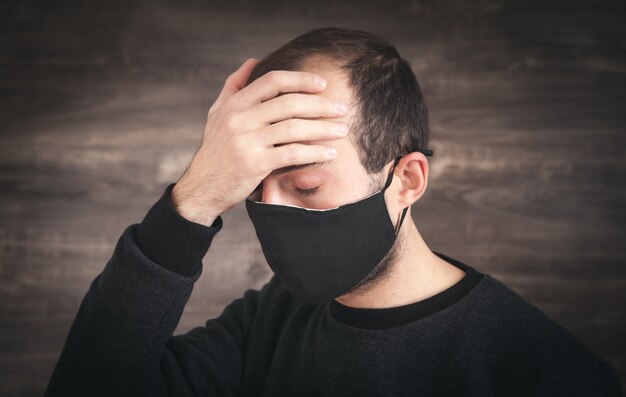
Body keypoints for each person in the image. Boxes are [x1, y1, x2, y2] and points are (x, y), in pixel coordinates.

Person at [45, 27, 622, 397]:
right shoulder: (268, 322)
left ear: (407, 181)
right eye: (253, 189)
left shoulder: (540, 370)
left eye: (305, 187)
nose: (271, 213)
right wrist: (194, 196)